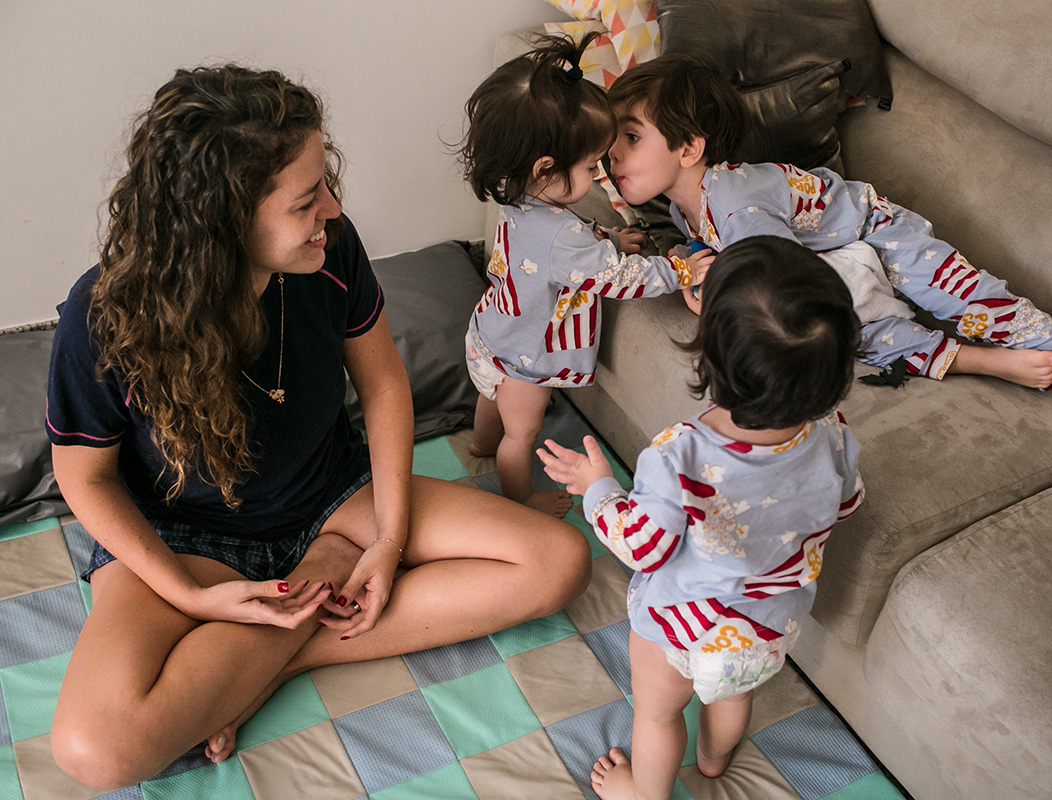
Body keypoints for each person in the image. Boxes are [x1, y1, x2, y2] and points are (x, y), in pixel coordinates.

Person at [44, 64, 591, 790]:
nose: (332, 209)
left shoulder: (328, 252)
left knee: (558, 561)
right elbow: (84, 478)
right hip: (186, 539)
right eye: (307, 200)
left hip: (334, 502)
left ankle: (266, 660)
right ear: (224, 221)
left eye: (325, 181)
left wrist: (388, 540)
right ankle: (294, 615)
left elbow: (385, 384)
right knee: (95, 751)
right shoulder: (102, 315)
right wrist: (190, 597)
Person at [604, 53, 1052, 447]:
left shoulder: (736, 198)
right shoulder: (687, 204)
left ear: (689, 149)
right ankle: (976, 361)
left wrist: (708, 296)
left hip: (877, 231)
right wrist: (688, 271)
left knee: (970, 295)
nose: (613, 155)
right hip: (824, 262)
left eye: (630, 138)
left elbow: (772, 287)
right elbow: (723, 255)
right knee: (843, 334)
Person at [538, 237, 865, 800]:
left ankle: (643, 792)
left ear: (709, 355)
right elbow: (847, 502)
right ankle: (714, 761)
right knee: (733, 695)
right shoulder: (833, 433)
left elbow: (642, 546)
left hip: (682, 624)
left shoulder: (679, 456)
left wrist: (599, 490)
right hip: (768, 624)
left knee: (659, 714)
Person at [455, 34, 713, 518]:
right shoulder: (563, 239)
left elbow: (555, 255)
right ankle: (520, 499)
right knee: (521, 434)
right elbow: (617, 279)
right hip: (525, 361)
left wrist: (611, 239)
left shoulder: (517, 195)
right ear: (546, 167)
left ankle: (478, 443)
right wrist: (679, 269)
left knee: (491, 401)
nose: (600, 175)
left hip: (490, 335)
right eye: (591, 165)